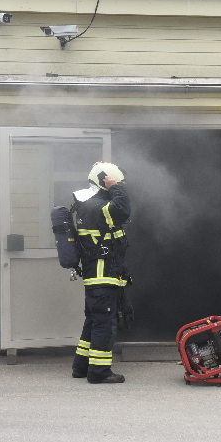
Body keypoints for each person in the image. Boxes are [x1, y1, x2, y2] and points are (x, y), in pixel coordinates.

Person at [71, 162, 131, 384]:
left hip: (98, 277)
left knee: (94, 322)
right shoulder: (97, 207)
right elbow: (123, 208)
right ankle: (99, 372)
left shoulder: (87, 205)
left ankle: (81, 367)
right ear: (104, 184)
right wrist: (116, 187)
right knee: (105, 324)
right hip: (102, 275)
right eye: (113, 185)